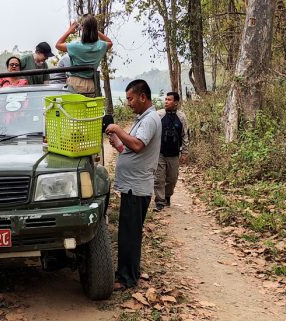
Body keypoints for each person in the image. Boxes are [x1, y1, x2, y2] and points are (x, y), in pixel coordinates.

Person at [105, 79, 161, 290]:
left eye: (130, 98)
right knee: (127, 233)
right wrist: (119, 144)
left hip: (137, 187)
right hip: (132, 186)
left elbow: (137, 145)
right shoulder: (142, 119)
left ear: (142, 97)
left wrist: (119, 130)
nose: (128, 102)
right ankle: (126, 273)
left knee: (130, 235)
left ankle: (127, 278)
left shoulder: (149, 120)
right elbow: (131, 149)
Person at [55, 14, 113, 97]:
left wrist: (69, 31)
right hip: (91, 85)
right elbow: (110, 42)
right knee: (89, 109)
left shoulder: (75, 46)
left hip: (74, 84)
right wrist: (94, 30)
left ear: (83, 29)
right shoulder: (100, 46)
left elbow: (58, 45)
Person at [154, 92, 189, 212]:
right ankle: (159, 201)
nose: (166, 101)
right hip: (159, 153)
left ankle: (167, 196)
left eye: (169, 100)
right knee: (159, 178)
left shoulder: (182, 117)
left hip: (174, 154)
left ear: (176, 102)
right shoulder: (158, 115)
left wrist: (184, 153)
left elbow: (185, 135)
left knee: (172, 178)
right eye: (165, 99)